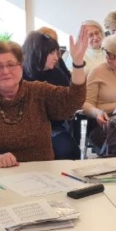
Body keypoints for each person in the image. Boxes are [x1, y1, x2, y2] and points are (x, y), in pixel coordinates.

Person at [0, 32, 88, 164]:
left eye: (11, 64)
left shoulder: (39, 91)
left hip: (41, 171)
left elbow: (73, 100)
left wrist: (78, 63)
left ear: (21, 66)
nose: (5, 71)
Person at [22, 31, 80, 160]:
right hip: (24, 128)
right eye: (52, 53)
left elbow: (69, 99)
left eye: (56, 52)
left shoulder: (57, 73)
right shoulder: (19, 74)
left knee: (70, 150)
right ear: (38, 53)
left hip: (53, 127)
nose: (56, 57)